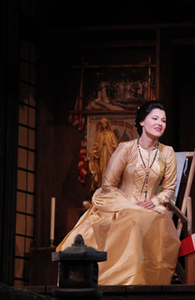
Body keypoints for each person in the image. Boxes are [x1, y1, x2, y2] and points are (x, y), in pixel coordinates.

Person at [57, 101, 181, 285]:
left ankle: (143, 280)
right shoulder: (126, 148)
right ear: (141, 122)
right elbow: (108, 184)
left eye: (163, 120)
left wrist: (154, 202)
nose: (159, 123)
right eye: (154, 118)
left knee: (149, 220)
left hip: (153, 209)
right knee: (131, 219)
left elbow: (169, 188)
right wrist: (129, 204)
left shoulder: (167, 152)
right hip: (121, 202)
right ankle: (119, 280)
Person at [88, 117, 118, 191]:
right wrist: (93, 154)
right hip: (101, 155)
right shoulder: (100, 134)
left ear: (107, 124)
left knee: (109, 170)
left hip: (109, 155)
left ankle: (109, 187)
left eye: (104, 123)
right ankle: (102, 187)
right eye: (101, 124)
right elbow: (96, 145)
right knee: (101, 171)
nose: (103, 125)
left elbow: (115, 145)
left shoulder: (111, 134)